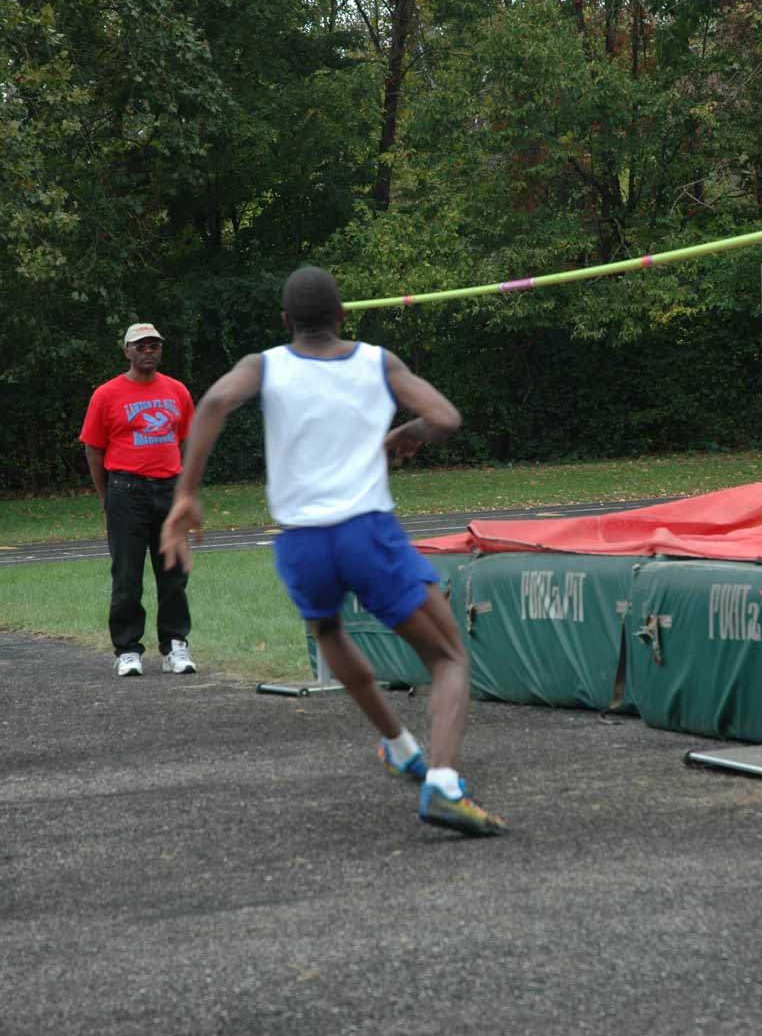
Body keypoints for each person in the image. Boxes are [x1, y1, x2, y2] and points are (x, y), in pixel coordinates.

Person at [160, 267, 507, 836]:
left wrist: (188, 495)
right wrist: (407, 433)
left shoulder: (265, 365)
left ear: (286, 322)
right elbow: (446, 417)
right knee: (447, 658)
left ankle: (397, 744)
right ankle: (442, 785)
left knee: (328, 631)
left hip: (301, 541)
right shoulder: (377, 361)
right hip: (366, 532)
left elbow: (216, 400)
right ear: (343, 314)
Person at [80, 322, 197, 678]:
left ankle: (175, 645)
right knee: (127, 576)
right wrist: (108, 497)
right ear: (127, 351)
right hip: (126, 491)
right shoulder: (107, 394)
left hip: (168, 490)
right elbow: (94, 450)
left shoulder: (177, 391)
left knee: (173, 573)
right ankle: (128, 649)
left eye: (154, 345)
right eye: (141, 346)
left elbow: (184, 439)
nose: (148, 351)